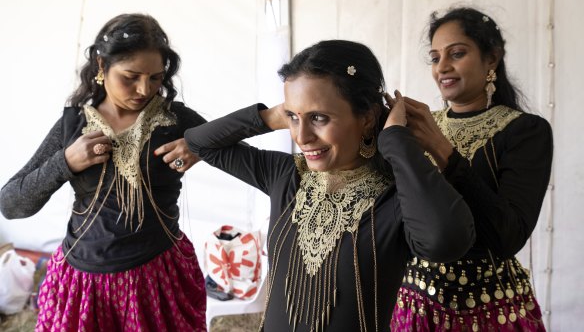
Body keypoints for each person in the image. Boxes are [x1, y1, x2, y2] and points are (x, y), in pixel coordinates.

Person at [184, 40, 475, 331]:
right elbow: (200, 142)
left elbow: (445, 242)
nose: (301, 136)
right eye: (294, 117)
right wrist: (272, 116)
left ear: (367, 117)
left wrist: (396, 140)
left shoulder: (396, 198)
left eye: (319, 118)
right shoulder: (286, 175)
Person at [0, 13, 207, 331]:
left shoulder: (176, 121)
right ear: (101, 65)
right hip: (82, 284)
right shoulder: (74, 126)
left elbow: (239, 151)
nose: (144, 89)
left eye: (155, 78)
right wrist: (65, 163)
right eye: (131, 76)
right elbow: (11, 204)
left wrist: (203, 143)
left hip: (156, 277)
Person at [390, 7, 553, 331]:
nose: (442, 67)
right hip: (414, 307)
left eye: (457, 53)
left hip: (491, 310)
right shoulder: (417, 127)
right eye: (435, 58)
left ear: (491, 59)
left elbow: (508, 235)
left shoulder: (525, 131)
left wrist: (442, 149)